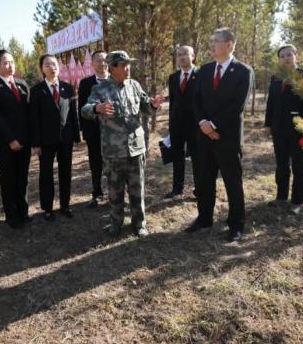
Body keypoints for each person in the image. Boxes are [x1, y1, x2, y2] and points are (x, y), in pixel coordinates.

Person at [80, 50, 164, 238]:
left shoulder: (134, 85)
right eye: (124, 65)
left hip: (136, 148)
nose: (128, 68)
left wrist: (154, 105)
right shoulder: (99, 90)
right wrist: (97, 108)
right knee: (115, 190)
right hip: (113, 151)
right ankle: (116, 223)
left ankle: (139, 224)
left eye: (129, 64)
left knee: (137, 188)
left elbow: (146, 107)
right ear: (112, 68)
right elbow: (85, 110)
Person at [186, 28, 253, 242]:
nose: (212, 45)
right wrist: (203, 123)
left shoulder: (243, 71)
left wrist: (213, 125)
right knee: (204, 181)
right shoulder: (204, 71)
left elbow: (237, 106)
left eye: (216, 41)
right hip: (204, 137)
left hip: (228, 138)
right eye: (211, 41)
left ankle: (236, 225)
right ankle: (204, 218)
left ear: (230, 44)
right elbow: (195, 101)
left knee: (232, 182)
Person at [264, 44, 303, 215]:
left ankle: (297, 201)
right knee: (281, 165)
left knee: (299, 168)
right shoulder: (276, 78)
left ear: (296, 56)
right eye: (282, 56)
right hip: (279, 129)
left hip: (299, 130)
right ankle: (281, 197)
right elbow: (271, 103)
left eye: (289, 55)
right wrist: (268, 124)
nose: (286, 58)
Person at [30, 54, 81, 221]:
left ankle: (65, 205)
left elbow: (73, 114)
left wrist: (76, 137)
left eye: (54, 64)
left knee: (65, 172)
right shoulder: (36, 91)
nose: (52, 67)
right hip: (45, 141)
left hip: (65, 140)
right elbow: (34, 120)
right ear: (42, 69)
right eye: (47, 65)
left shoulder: (68, 87)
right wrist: (35, 143)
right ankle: (47, 208)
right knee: (46, 175)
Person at [0, 50, 32, 229]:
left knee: (23, 178)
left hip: (25, 140)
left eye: (12, 62)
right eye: (6, 63)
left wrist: (29, 138)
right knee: (8, 179)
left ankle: (24, 212)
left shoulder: (22, 84)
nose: (10, 65)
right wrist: (11, 139)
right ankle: (11, 216)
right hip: (7, 143)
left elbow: (29, 113)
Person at [165, 45, 200, 200]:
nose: (181, 57)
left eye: (185, 54)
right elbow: (173, 102)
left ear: (193, 56)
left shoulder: (201, 75)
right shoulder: (173, 77)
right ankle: (177, 188)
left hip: (196, 125)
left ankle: (200, 189)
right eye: (179, 55)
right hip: (177, 125)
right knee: (177, 158)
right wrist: (171, 122)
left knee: (198, 159)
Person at [78, 50, 109, 207]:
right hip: (94, 131)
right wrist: (84, 131)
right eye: (98, 60)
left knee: (115, 164)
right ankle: (97, 193)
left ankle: (116, 193)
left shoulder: (117, 80)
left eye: (105, 60)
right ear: (92, 64)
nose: (102, 63)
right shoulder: (85, 83)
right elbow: (81, 109)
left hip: (114, 133)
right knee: (96, 163)